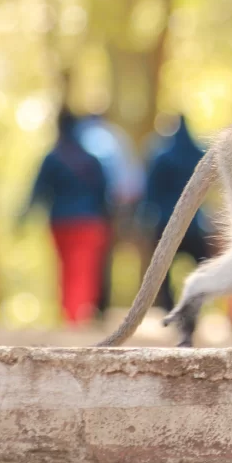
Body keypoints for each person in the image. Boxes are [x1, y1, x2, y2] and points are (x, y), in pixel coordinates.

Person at [19, 107, 112, 327]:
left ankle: (70, 315)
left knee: (66, 268)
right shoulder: (91, 160)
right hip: (90, 222)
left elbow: (38, 191)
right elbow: (104, 193)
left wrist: (23, 217)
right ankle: (78, 315)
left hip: (61, 222)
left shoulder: (53, 158)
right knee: (85, 270)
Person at [138, 113, 214, 312]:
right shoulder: (199, 154)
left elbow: (150, 190)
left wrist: (144, 216)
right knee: (201, 268)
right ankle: (195, 306)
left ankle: (169, 306)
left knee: (162, 271)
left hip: (166, 225)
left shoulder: (161, 156)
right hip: (194, 224)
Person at [75, 113, 145, 320]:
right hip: (109, 207)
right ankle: (99, 305)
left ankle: (84, 307)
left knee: (86, 260)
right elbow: (131, 180)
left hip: (89, 207)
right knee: (103, 256)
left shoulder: (81, 137)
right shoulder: (114, 137)